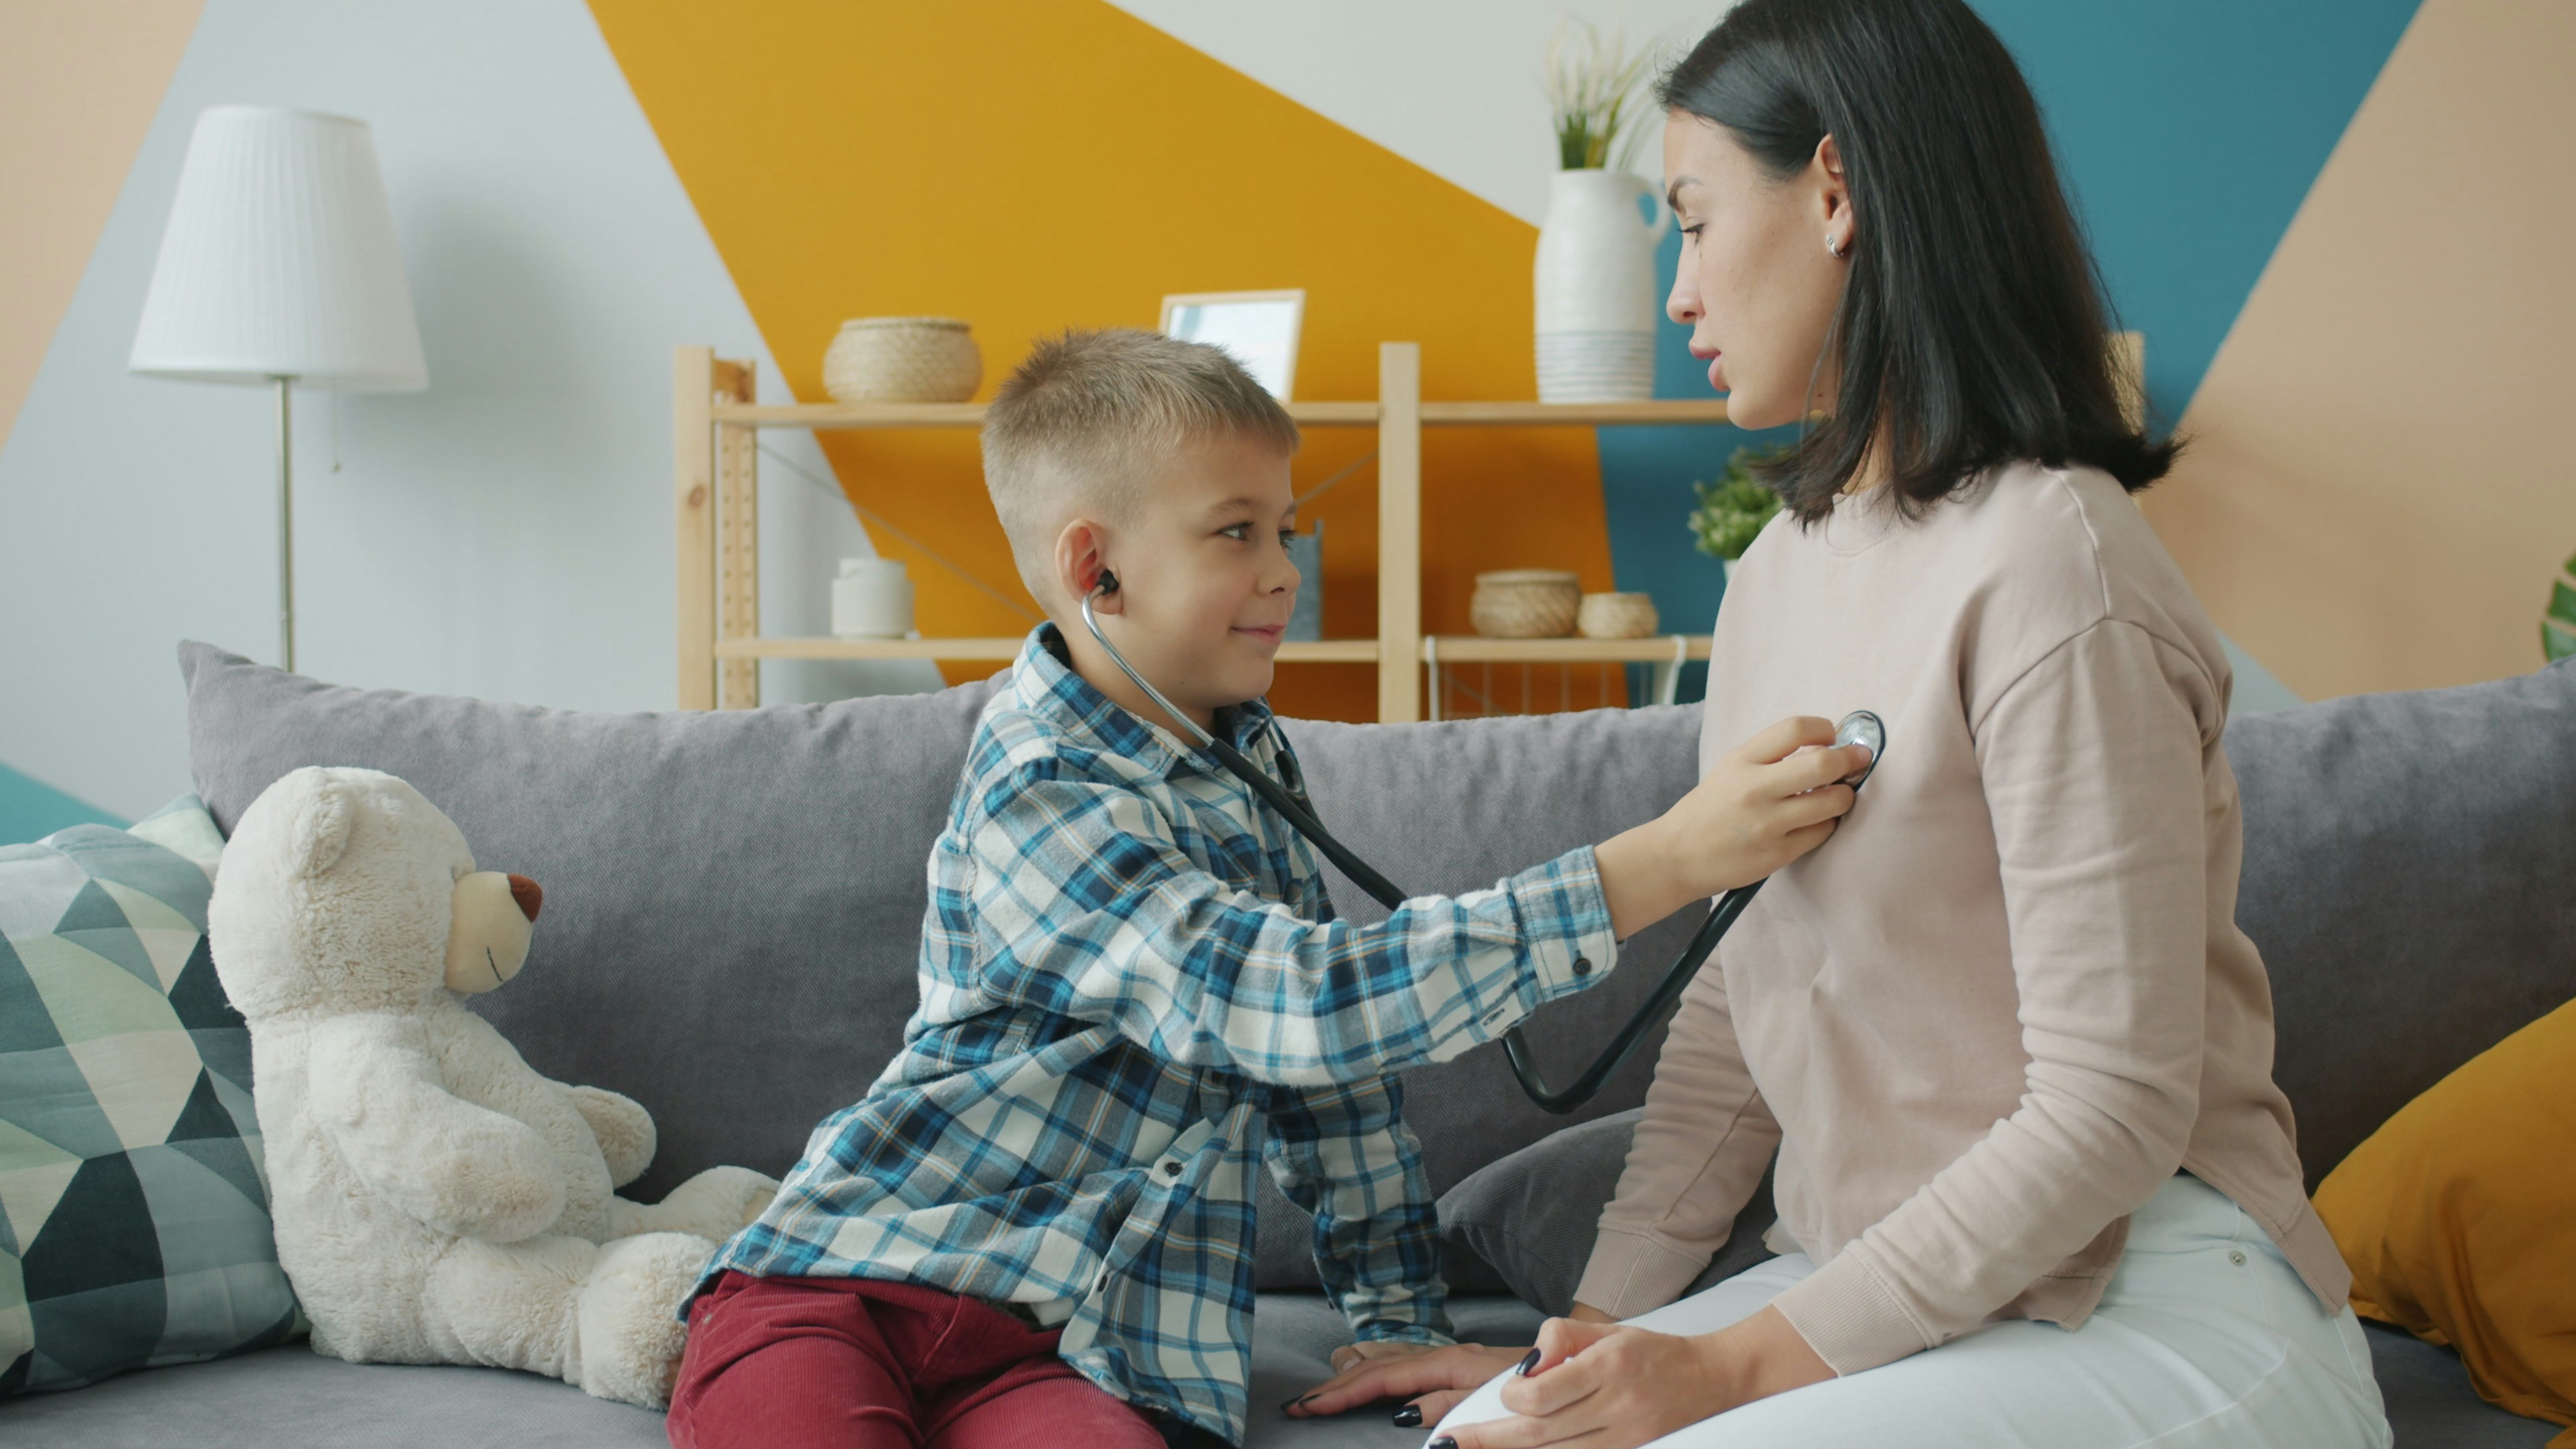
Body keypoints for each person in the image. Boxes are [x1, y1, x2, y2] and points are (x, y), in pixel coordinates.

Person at [1287, 1, 2396, 1446]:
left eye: (1691, 221)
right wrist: (1602, 1335)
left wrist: (1726, 1371)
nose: (1679, 294)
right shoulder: (1776, 577)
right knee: (1485, 1445)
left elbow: (2113, 1110)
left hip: (2154, 1297)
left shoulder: (2055, 559)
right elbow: (1742, 1015)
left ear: (1834, 192)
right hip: (1890, 1291)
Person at [662, 328, 1870, 1449]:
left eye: (1287, 530)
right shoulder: (1042, 789)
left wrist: (1400, 1314)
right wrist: (1656, 863)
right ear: (1100, 569)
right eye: (1237, 532)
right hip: (843, 1285)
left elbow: (1333, 1088)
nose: (1285, 570)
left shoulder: (1248, 762)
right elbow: (1293, 1006)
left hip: (1076, 1353)